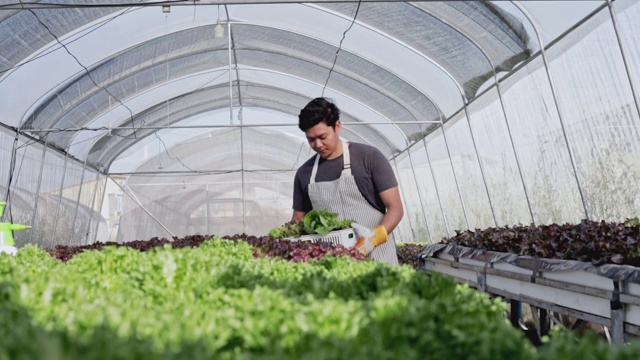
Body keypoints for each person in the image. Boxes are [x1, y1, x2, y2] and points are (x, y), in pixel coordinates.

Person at [291, 97, 404, 265]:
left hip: (378, 258)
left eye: (322, 136)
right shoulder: (304, 173)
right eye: (311, 139)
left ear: (337, 126)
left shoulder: (369, 157)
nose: (318, 144)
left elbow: (396, 208)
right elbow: (298, 222)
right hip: (333, 263)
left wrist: (373, 238)